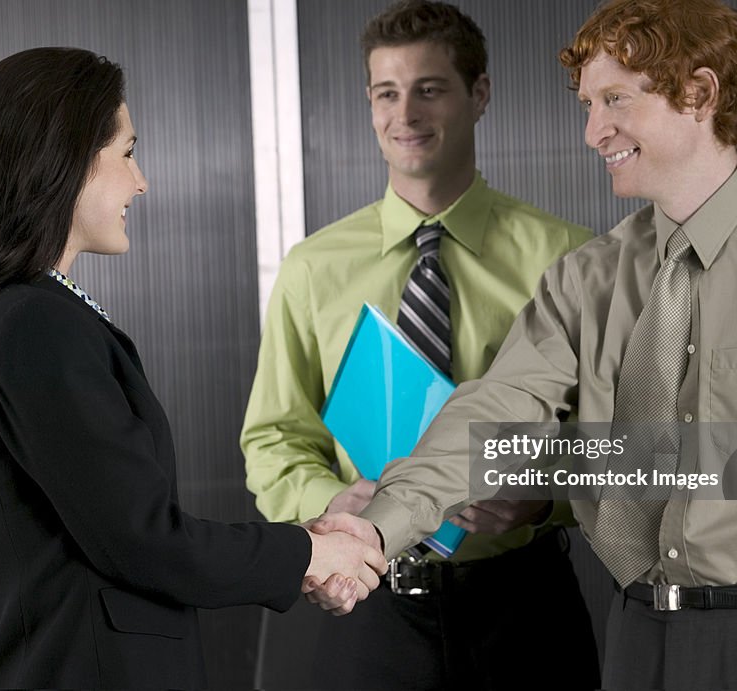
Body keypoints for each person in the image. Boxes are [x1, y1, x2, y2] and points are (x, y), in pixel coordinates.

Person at [313, 0, 737, 688]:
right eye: (587, 104)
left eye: (614, 100)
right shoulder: (587, 277)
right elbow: (494, 415)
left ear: (698, 94)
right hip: (635, 640)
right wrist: (377, 530)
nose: (591, 131)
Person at [0, 47, 385, 690]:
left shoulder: (12, 316)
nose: (141, 180)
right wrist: (311, 551)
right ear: (64, 162)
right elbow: (143, 539)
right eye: (126, 153)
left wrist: (302, 541)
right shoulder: (35, 325)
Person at [241, 1, 599, 688]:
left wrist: (543, 493)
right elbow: (273, 438)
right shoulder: (314, 268)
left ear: (479, 94)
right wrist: (333, 499)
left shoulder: (567, 258)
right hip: (368, 606)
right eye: (386, 92)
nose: (404, 114)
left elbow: (616, 435)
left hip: (525, 606)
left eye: (429, 88)